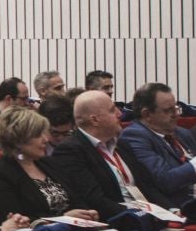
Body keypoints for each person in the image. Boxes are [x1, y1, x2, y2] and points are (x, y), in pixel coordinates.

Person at [118, 82, 196, 209]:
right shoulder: (135, 136)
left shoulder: (182, 133)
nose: (176, 114)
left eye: (176, 108)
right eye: (168, 110)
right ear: (147, 114)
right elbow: (166, 180)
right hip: (181, 209)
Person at [0, 107, 99, 224]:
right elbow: (14, 221)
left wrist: (87, 213)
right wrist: (62, 219)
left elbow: (76, 198)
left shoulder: (49, 164)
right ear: (18, 139)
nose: (45, 139)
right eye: (37, 135)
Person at [43, 90, 146, 220]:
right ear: (95, 119)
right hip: (118, 220)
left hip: (143, 214)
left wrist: (169, 210)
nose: (120, 114)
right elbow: (95, 200)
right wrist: (140, 214)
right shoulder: (71, 151)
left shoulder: (122, 144)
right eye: (112, 110)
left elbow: (148, 186)